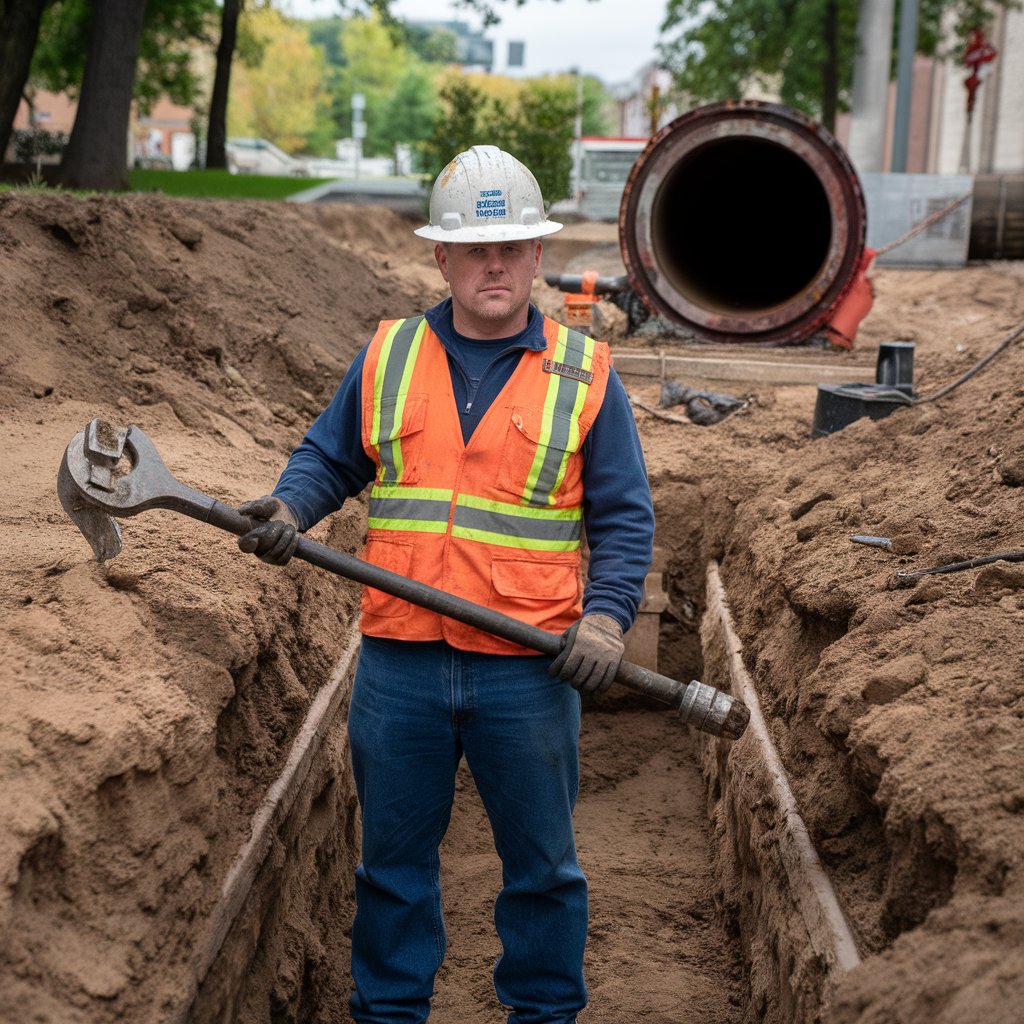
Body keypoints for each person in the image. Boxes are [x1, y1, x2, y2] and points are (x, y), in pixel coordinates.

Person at [237, 145, 654, 1024]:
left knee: (542, 872)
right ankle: (389, 1014)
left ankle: (542, 1015)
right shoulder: (389, 355)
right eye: (475, 249)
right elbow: (329, 457)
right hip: (400, 664)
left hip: (529, 669)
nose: (494, 264)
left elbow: (623, 518)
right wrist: (288, 508)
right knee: (391, 867)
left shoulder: (584, 376)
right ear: (444, 258)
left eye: (511, 248)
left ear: (538, 255)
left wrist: (609, 620)